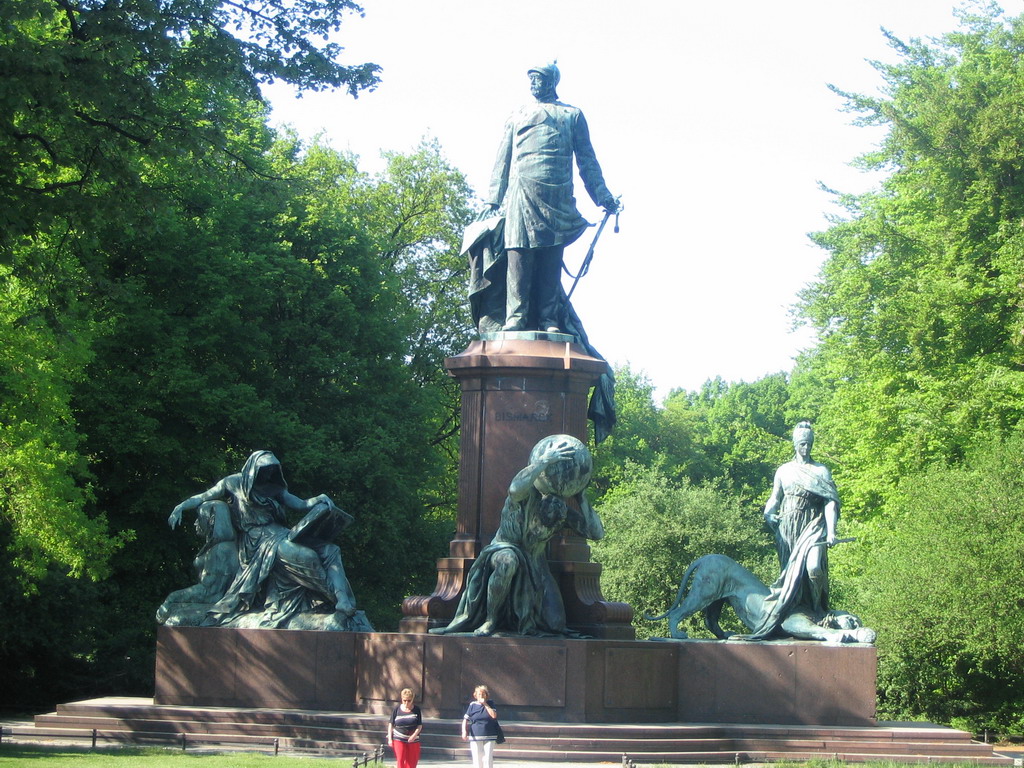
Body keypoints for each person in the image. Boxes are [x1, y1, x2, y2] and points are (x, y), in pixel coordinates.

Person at [479, 62, 619, 333]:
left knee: (550, 259)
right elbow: (502, 160)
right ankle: (516, 317)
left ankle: (549, 319)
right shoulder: (517, 115)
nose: (532, 83)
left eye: (538, 78)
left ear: (552, 81)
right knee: (517, 256)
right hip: (520, 195)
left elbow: (587, 161)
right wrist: (492, 200)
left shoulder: (571, 115)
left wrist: (603, 197)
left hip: (557, 198)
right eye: (530, 78)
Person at [430, 434, 603, 637]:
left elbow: (596, 533)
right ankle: (490, 620)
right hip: (505, 548)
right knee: (507, 562)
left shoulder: (559, 510)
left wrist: (581, 496)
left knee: (556, 624)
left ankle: (516, 619)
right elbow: (514, 488)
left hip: (536, 565)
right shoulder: (525, 497)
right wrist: (544, 461)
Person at [167, 450, 359, 628]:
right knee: (305, 556)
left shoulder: (274, 488)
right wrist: (181, 507)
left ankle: (343, 601)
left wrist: (318, 499)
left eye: (272, 470)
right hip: (258, 542)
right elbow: (204, 496)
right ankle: (331, 597)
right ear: (252, 469)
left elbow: (300, 504)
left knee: (331, 550)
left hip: (281, 533)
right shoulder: (232, 483)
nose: (268, 474)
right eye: (265, 470)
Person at [746, 421, 841, 639]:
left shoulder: (820, 470)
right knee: (791, 576)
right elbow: (774, 499)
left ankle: (818, 610)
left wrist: (832, 531)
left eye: (809, 444)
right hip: (788, 528)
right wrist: (768, 513)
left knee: (814, 568)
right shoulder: (784, 470)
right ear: (795, 444)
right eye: (802, 444)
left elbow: (830, 502)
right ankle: (793, 610)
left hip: (812, 525)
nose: (806, 449)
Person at [462, 685, 500, 768]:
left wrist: (485, 704)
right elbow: (465, 719)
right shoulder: (472, 705)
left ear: (486, 695)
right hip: (476, 735)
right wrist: (464, 731)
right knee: (477, 758)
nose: (481, 696)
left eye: (483, 694)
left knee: (488, 757)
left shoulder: (490, 703)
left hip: (489, 734)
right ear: (475, 695)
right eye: (479, 694)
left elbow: (494, 715)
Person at [387, 688, 422, 768]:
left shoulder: (416, 710)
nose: (406, 703)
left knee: (412, 763)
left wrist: (414, 735)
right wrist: (390, 739)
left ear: (412, 699)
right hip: (399, 738)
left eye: (409, 701)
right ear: (401, 699)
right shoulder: (397, 709)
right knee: (400, 759)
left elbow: (419, 725)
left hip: (413, 740)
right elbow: (391, 724)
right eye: (404, 700)